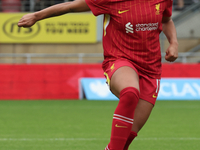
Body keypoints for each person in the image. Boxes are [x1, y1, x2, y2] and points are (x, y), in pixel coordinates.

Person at [18, 0, 178, 150]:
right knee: (130, 92)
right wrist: (36, 16)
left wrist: (174, 43)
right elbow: (71, 7)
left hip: (151, 69)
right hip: (120, 59)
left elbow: (166, 20)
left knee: (127, 136)